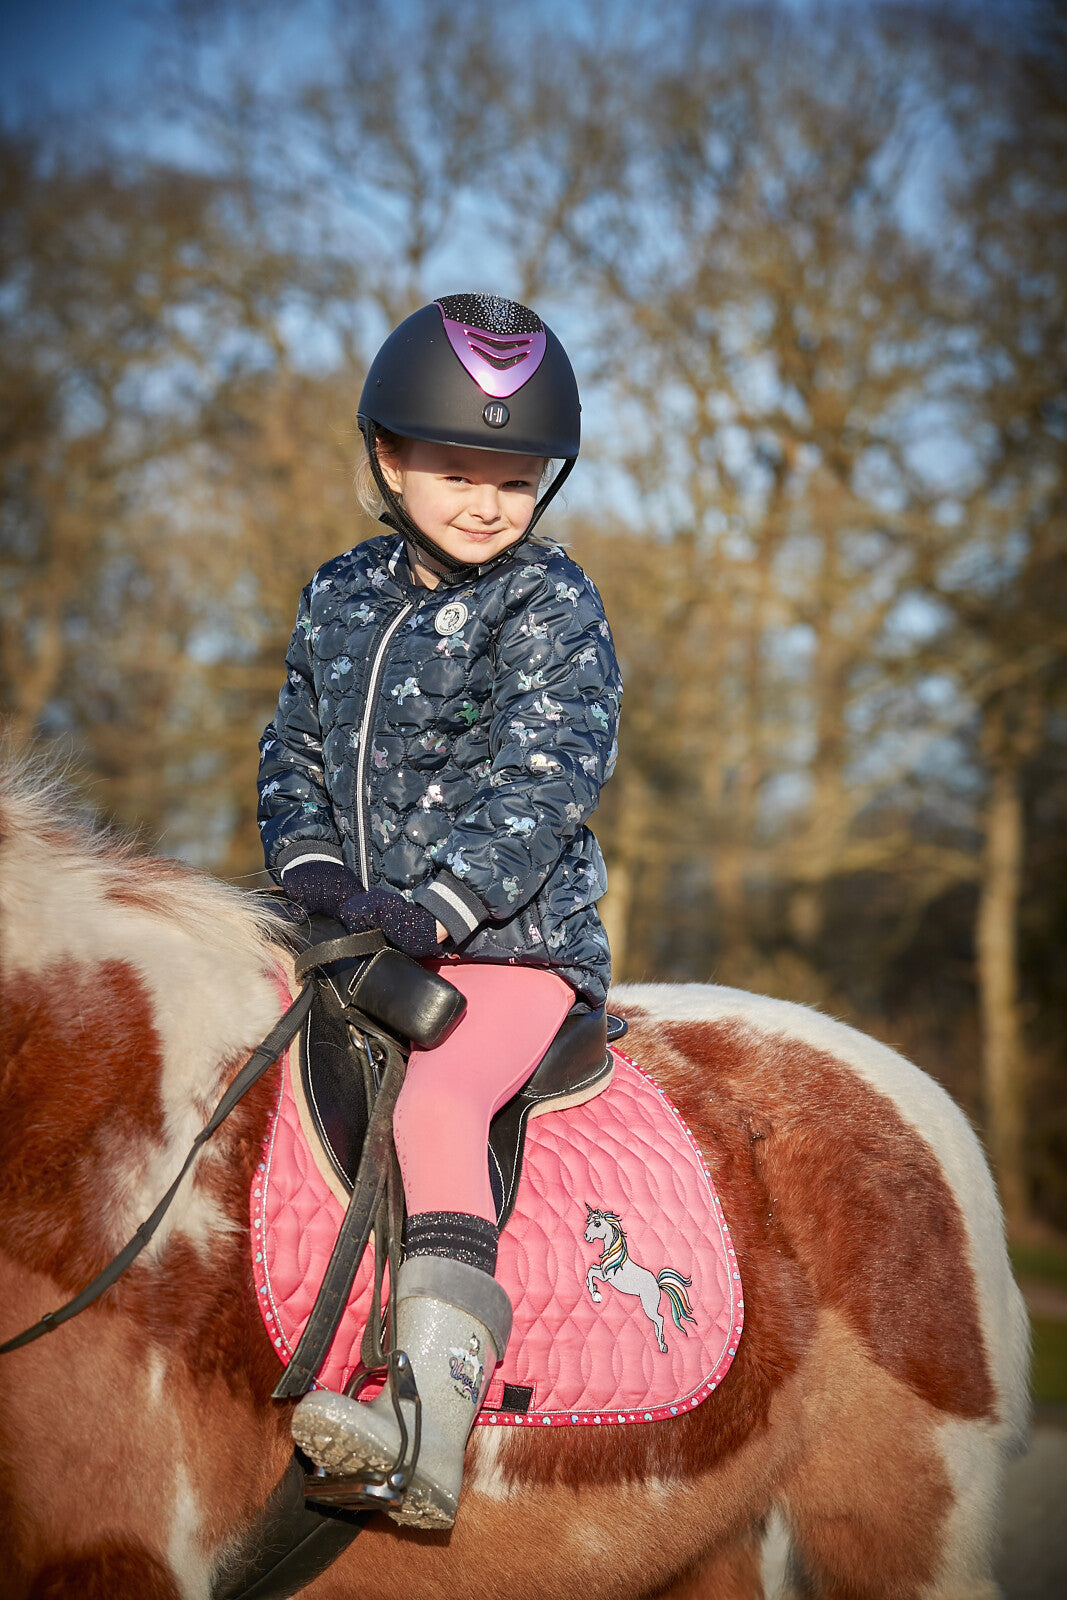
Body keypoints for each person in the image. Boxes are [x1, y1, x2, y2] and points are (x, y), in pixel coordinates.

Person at [256, 292, 622, 1528]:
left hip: (511, 944)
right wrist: (307, 868)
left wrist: (435, 907)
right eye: (457, 468)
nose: (485, 499)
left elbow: (546, 776)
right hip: (346, 921)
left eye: (514, 477)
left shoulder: (553, 607)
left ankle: (428, 1432)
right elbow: (290, 746)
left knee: (442, 1089)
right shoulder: (338, 592)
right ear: (388, 460)